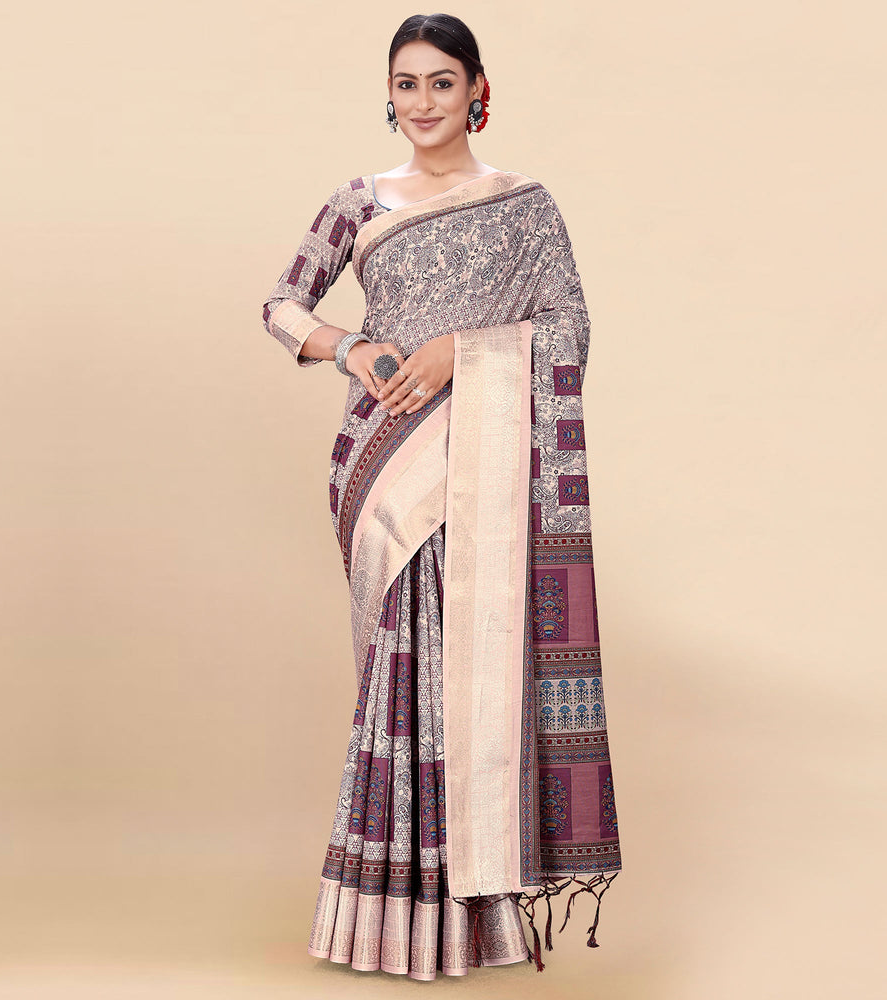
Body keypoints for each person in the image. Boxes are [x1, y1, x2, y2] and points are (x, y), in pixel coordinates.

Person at [260, 12, 621, 982]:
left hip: (484, 470)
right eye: (406, 83)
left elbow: (571, 326)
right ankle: (384, 917)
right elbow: (282, 304)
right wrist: (349, 346)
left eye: (441, 82)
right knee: (399, 677)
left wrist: (460, 349)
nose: (423, 102)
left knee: (474, 681)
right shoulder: (359, 201)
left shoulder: (523, 205)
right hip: (382, 464)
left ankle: (472, 919)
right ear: (390, 95)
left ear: (476, 90)